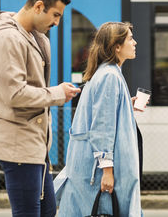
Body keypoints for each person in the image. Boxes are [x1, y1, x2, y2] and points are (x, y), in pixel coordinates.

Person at [0, 0, 81, 217]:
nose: (57, 22)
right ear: (38, 6)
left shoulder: (37, 38)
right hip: (18, 145)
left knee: (47, 212)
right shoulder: (7, 38)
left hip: (36, 146)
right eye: (55, 15)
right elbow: (14, 94)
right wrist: (57, 94)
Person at [54, 22, 143, 216]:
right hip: (97, 173)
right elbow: (102, 127)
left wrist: (126, 104)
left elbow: (102, 114)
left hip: (90, 168)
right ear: (116, 46)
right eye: (130, 38)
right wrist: (107, 171)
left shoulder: (104, 73)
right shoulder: (110, 76)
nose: (135, 42)